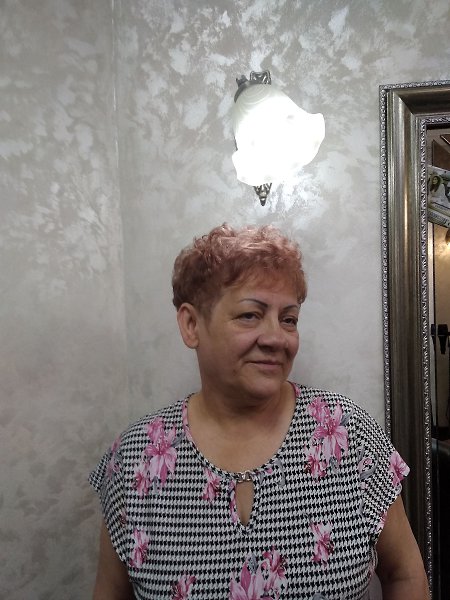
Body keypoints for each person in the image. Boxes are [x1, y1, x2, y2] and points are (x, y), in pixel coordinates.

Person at [90, 224, 429, 600]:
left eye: (289, 319)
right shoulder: (135, 458)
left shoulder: (349, 435)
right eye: (250, 315)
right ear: (191, 324)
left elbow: (404, 574)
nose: (276, 338)